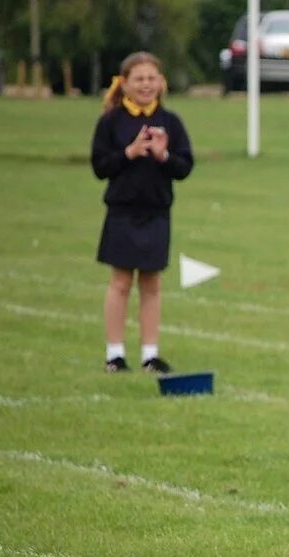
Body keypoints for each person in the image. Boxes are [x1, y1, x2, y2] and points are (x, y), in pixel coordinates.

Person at [91, 51, 193, 373]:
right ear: (124, 84)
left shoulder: (171, 122)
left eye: (151, 79)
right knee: (120, 282)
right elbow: (100, 166)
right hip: (122, 211)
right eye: (139, 79)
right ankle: (114, 354)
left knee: (152, 284)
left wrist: (163, 155)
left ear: (161, 83)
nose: (146, 85)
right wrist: (129, 153)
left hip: (157, 212)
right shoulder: (111, 121)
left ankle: (150, 354)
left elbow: (184, 166)